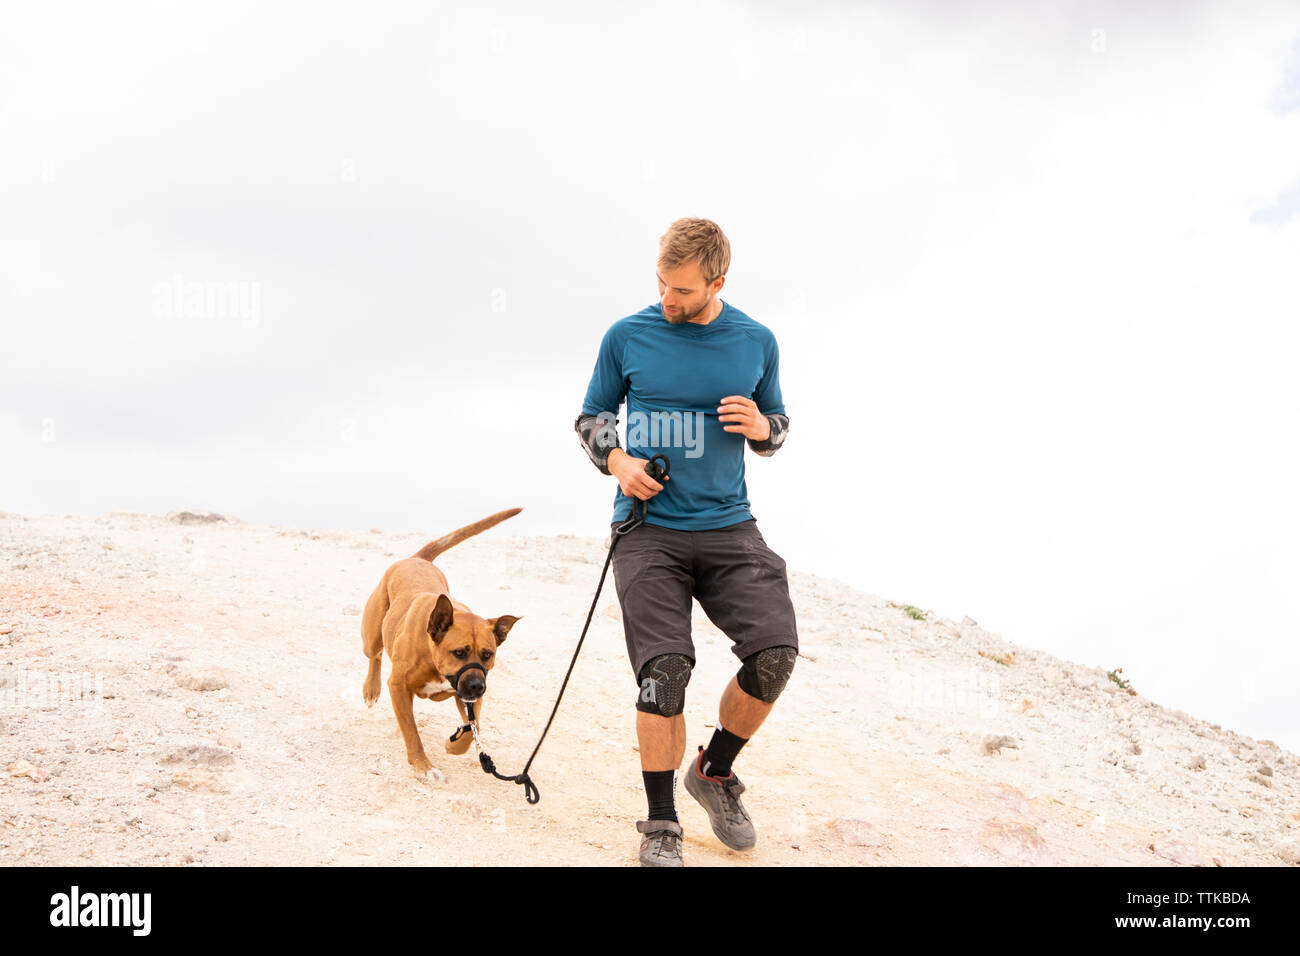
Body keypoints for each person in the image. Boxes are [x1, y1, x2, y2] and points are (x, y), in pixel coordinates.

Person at [573, 217, 798, 867]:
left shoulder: (756, 342)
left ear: (716, 283)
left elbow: (777, 426)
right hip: (649, 535)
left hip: (730, 528)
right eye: (661, 285)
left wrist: (760, 425)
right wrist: (618, 464)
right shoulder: (628, 336)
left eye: (682, 291)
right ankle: (662, 822)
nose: (667, 300)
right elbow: (592, 419)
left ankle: (715, 772)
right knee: (663, 673)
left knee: (775, 655)